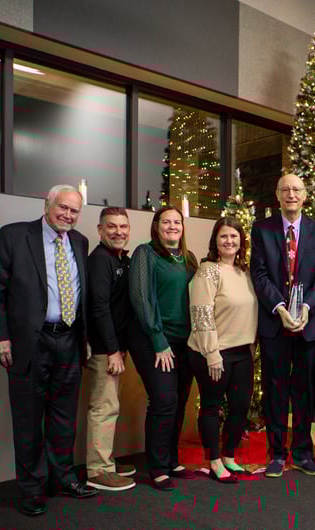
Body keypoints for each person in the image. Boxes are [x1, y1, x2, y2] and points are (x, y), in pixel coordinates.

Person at [0, 184, 97, 516]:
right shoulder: (14, 236)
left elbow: (82, 293)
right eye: (62, 207)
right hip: (29, 342)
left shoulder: (80, 241)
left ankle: (62, 479)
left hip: (69, 341)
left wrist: (86, 338)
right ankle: (32, 488)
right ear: (47, 204)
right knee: (29, 419)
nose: (68, 215)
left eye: (74, 210)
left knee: (64, 418)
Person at [250, 173, 315, 478]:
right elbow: (259, 274)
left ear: (305, 195)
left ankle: (302, 453)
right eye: (285, 189)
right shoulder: (262, 230)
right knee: (275, 392)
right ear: (277, 195)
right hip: (275, 324)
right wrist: (280, 308)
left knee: (303, 392)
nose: (291, 194)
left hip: (308, 326)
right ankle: (276, 454)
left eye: (296, 189)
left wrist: (307, 307)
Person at [128, 205, 199, 491]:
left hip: (184, 342)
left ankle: (171, 460)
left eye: (177, 222)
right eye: (166, 221)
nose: (172, 226)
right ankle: (157, 467)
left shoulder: (189, 258)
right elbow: (141, 299)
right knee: (163, 400)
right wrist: (159, 341)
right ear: (156, 226)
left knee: (179, 400)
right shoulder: (146, 254)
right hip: (153, 339)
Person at [188, 217, 258, 484]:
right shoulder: (208, 271)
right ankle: (214, 461)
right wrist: (211, 353)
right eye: (223, 236)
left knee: (240, 407)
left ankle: (229, 456)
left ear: (241, 241)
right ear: (215, 241)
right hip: (214, 351)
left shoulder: (244, 272)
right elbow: (201, 313)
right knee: (211, 406)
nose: (229, 241)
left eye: (234, 236)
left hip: (241, 351)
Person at [85, 207, 136, 492]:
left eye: (123, 226)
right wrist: (112, 350)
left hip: (116, 346)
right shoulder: (100, 260)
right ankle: (98, 470)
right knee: (104, 407)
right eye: (112, 227)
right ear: (100, 230)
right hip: (105, 349)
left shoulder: (119, 259)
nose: (118, 232)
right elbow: (99, 308)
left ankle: (106, 462)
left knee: (110, 405)